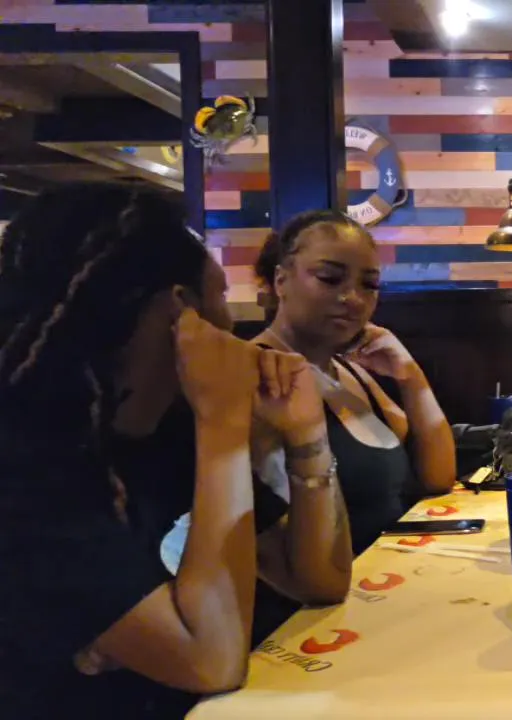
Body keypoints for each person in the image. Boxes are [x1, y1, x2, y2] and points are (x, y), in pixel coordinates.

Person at [0, 184, 351, 718]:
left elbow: (320, 579)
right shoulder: (28, 462)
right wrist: (223, 422)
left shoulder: (165, 432)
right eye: (221, 296)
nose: (231, 323)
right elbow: (212, 660)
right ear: (182, 312)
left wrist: (306, 434)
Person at [252, 209, 456, 553]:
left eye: (369, 284)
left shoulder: (351, 371)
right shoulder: (255, 372)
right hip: (331, 584)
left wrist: (412, 378)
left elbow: (439, 476)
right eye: (330, 278)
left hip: (391, 572)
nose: (353, 298)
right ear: (281, 280)